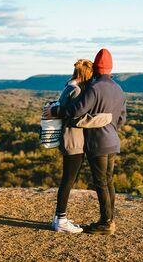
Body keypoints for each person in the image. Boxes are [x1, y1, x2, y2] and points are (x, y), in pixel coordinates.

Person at [44, 49, 126, 235]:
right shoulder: (119, 89)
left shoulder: (94, 87)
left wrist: (55, 111)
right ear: (111, 68)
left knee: (101, 183)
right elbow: (121, 118)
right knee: (109, 182)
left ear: (97, 67)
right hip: (112, 140)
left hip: (97, 142)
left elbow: (76, 110)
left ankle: (105, 223)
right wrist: (110, 128)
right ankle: (109, 220)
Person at [50, 59, 94, 233]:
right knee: (68, 180)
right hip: (73, 140)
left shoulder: (69, 86)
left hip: (68, 139)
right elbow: (76, 115)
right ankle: (61, 219)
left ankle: (58, 218)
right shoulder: (77, 90)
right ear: (86, 74)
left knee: (67, 179)